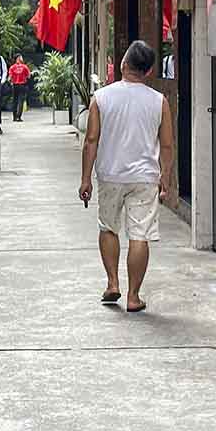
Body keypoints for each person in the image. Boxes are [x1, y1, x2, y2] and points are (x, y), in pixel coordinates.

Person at [78, 40, 174, 314]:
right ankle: (133, 296)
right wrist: (165, 176)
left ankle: (112, 283)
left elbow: (91, 139)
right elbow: (166, 144)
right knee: (139, 235)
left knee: (108, 227)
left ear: (123, 64)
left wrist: (86, 178)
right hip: (144, 177)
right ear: (149, 71)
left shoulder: (102, 97)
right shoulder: (159, 101)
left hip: (110, 174)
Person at [8, 55, 31, 122]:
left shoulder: (12, 67)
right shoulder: (24, 67)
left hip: (15, 85)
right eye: (21, 57)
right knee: (20, 101)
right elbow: (29, 76)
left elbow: (10, 77)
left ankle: (14, 117)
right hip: (22, 85)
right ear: (18, 58)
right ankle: (18, 117)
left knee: (14, 101)